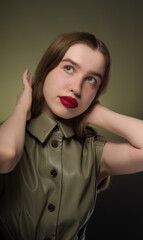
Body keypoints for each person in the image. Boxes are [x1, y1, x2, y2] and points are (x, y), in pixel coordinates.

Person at [0, 32, 143, 240]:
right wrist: (21, 107)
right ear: (46, 68)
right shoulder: (7, 136)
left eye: (91, 80)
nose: (76, 89)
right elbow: (6, 154)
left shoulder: (93, 152)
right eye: (69, 68)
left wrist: (99, 114)